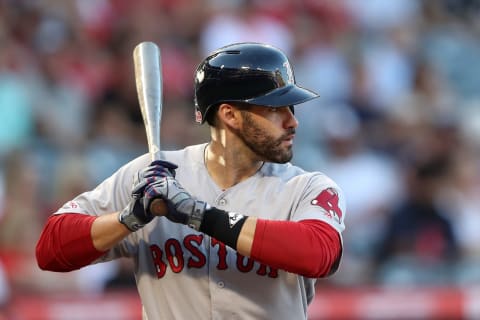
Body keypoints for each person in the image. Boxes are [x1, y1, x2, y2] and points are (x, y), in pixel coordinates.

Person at [36, 42, 346, 320]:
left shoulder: (306, 188)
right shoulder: (154, 174)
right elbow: (51, 249)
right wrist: (129, 218)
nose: (293, 121)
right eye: (276, 109)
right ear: (230, 115)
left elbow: (318, 253)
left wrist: (198, 214)